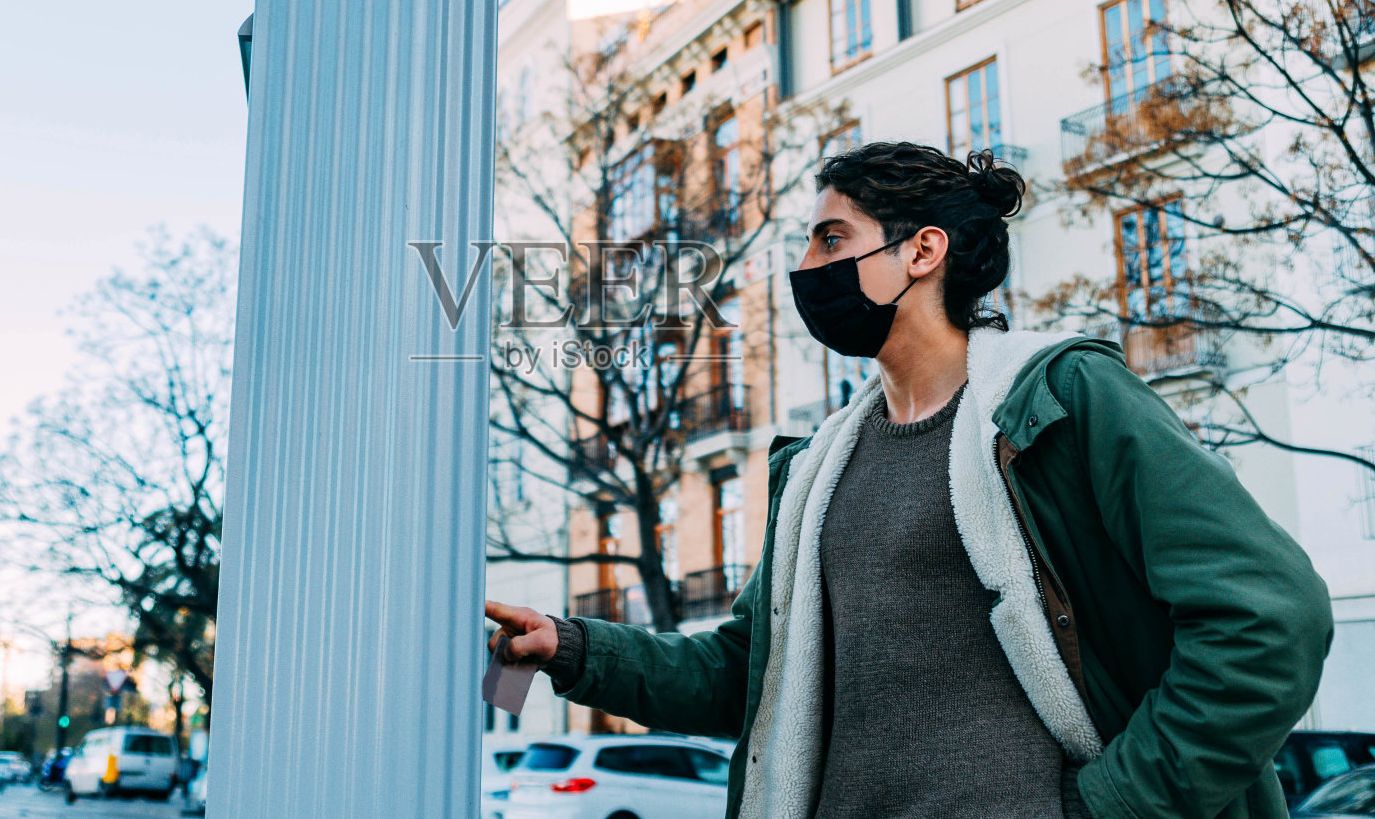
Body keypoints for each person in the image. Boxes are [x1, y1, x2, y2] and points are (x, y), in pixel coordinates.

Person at [486, 142, 1333, 819]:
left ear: (923, 251)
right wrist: (575, 649)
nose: (809, 269)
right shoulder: (818, 466)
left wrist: (1110, 805)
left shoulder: (1062, 399)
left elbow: (1270, 615)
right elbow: (751, 671)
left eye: (833, 240)